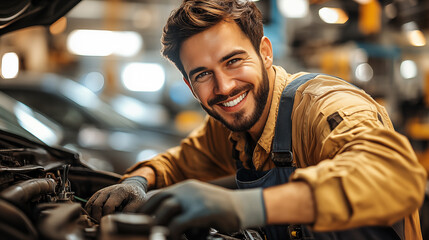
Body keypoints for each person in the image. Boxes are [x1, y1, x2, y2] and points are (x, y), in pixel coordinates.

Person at [85, 0, 427, 239]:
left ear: (265, 52)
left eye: (233, 60)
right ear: (189, 85)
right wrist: (138, 182)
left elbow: (395, 177)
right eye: (203, 74)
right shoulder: (231, 129)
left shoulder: (324, 109)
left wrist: (246, 205)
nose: (224, 87)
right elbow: (179, 163)